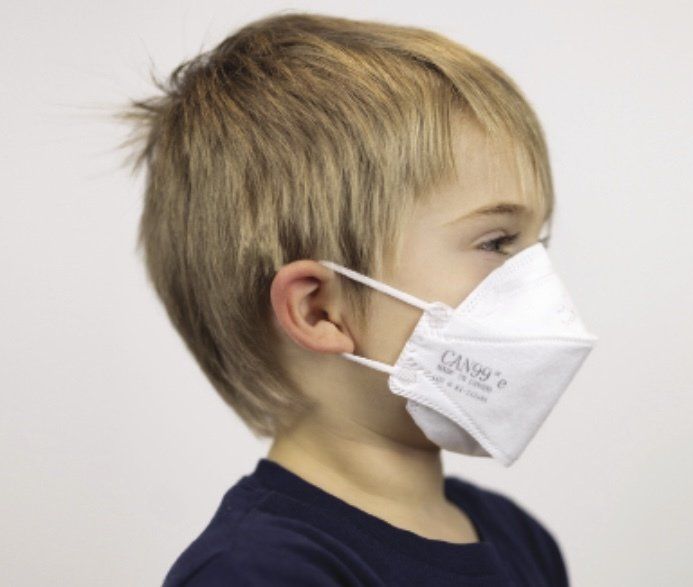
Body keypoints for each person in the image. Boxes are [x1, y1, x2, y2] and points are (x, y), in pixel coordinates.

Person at [116, 10, 596, 586]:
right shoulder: (259, 571)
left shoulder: (520, 538)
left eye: (537, 246)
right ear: (319, 310)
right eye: (496, 243)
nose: (540, 285)